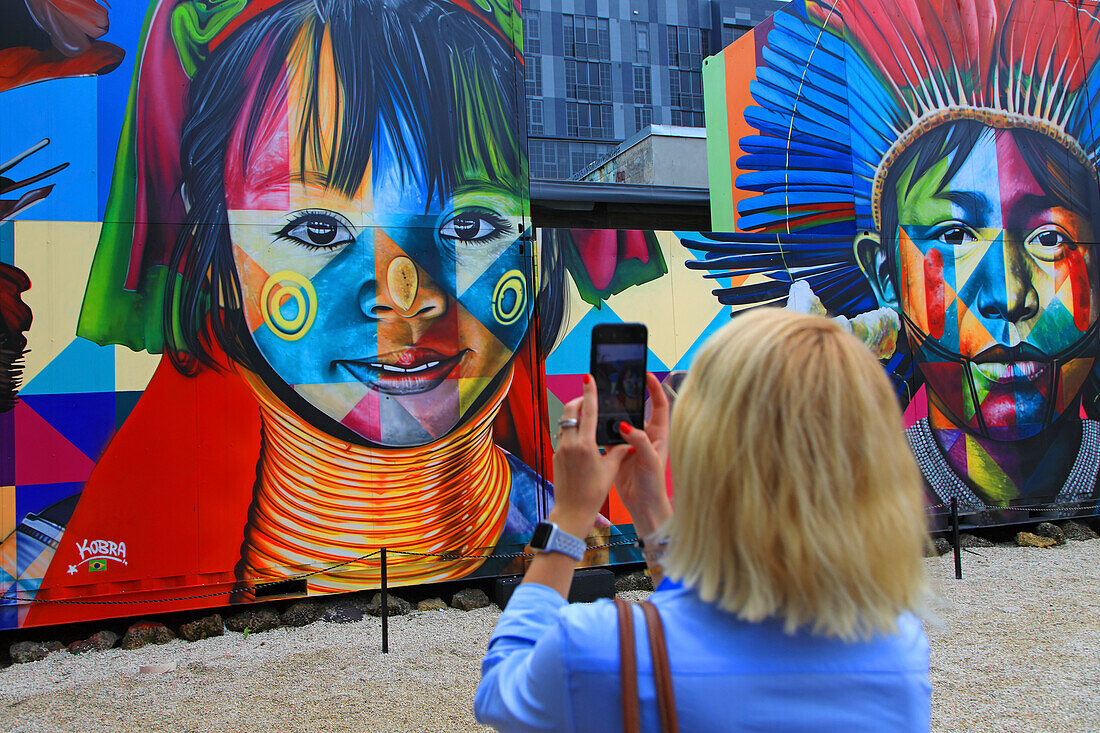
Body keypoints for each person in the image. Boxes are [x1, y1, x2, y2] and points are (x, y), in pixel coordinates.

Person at [22, 0, 557, 625]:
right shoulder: (41, 567)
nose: (405, 293)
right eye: (319, 229)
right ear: (212, 236)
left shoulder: (578, 531)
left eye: (471, 222)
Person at [680, 0, 1100, 524]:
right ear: (884, 274)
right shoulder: (862, 502)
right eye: (954, 235)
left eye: (1049, 238)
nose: (1011, 295)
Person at [475, 308, 930, 732]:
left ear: (711, 455)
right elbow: (702, 616)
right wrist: (650, 508)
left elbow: (501, 691)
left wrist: (570, 516)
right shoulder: (898, 650)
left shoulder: (604, 651)